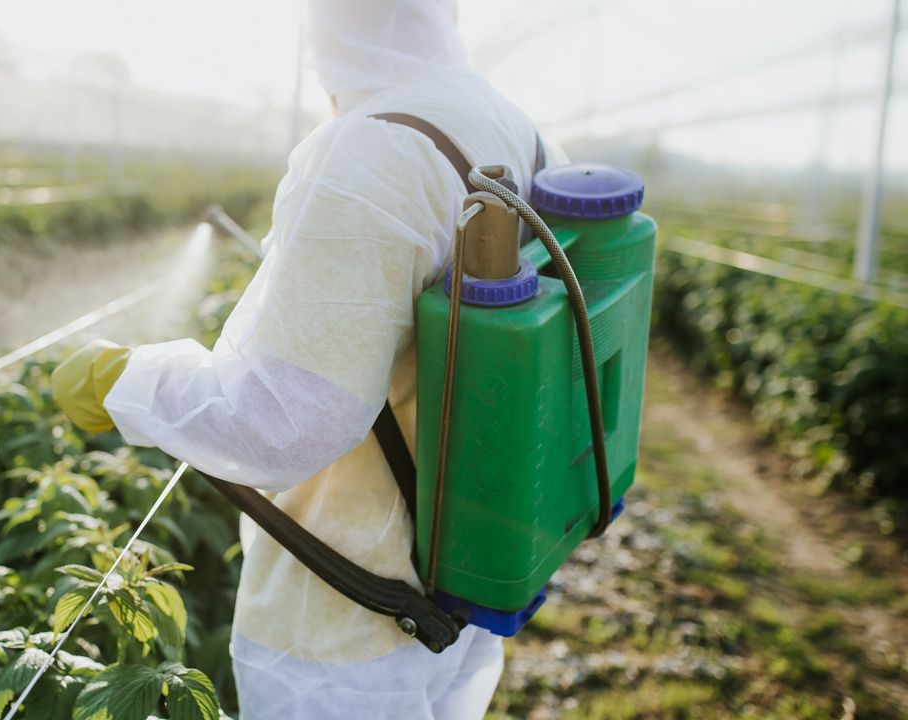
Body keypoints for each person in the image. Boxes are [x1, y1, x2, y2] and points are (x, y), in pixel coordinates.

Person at [51, 0, 567, 716]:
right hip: (463, 569)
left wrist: (128, 382)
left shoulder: (377, 151)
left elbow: (286, 421)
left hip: (346, 624)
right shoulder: (511, 124)